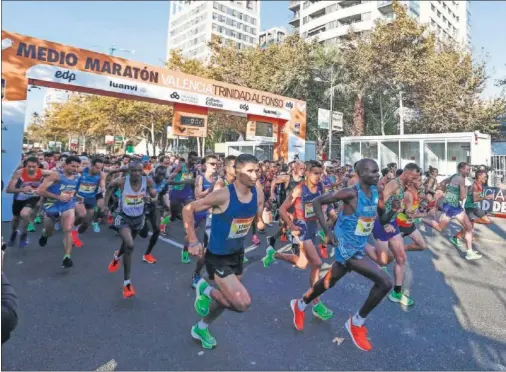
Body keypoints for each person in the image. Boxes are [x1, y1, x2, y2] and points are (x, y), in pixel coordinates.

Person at [290, 158, 391, 351]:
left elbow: (380, 218)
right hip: (345, 246)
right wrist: (328, 231)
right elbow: (317, 201)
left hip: (359, 245)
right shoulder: (350, 192)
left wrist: (393, 213)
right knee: (385, 282)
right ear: (361, 174)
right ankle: (356, 322)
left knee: (329, 280)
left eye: (378, 170)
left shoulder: (376, 193)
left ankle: (301, 304)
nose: (377, 174)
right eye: (373, 171)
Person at [182, 154, 265, 349]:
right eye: (250, 171)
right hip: (217, 257)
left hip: (237, 254)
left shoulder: (259, 194)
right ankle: (205, 288)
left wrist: (262, 220)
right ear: (236, 172)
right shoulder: (223, 195)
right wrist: (193, 240)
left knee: (227, 300)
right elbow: (188, 209)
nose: (255, 175)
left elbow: (258, 218)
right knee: (241, 303)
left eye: (257, 170)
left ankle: (201, 327)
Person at [262, 161, 334, 321]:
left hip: (312, 227)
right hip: (301, 227)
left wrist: (325, 215)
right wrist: (291, 225)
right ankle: (316, 303)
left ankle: (273, 255)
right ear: (307, 173)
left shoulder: (320, 186)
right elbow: (282, 209)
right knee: (316, 263)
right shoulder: (299, 189)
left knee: (302, 263)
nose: (318, 176)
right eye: (315, 173)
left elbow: (321, 204)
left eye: (320, 173)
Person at [104, 161, 156, 298]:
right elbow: (109, 187)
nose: (136, 173)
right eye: (133, 170)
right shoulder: (121, 181)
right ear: (128, 171)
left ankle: (116, 256)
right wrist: (105, 205)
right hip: (123, 217)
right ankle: (127, 283)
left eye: (139, 171)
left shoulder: (147, 181)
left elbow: (153, 194)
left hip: (139, 218)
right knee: (130, 245)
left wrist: (150, 196)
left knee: (127, 244)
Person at [371, 163, 421, 306]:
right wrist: (385, 224)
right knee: (381, 261)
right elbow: (380, 203)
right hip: (381, 224)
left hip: (392, 223)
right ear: (406, 173)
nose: (415, 180)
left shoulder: (404, 185)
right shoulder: (394, 184)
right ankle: (360, 249)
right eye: (414, 176)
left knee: (401, 258)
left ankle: (397, 292)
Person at [423, 162, 482, 260]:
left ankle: (469, 251)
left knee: (464, 226)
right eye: (467, 169)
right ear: (461, 169)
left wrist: (446, 192)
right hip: (453, 206)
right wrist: (468, 187)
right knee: (467, 226)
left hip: (450, 205)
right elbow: (462, 197)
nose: (469, 171)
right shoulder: (462, 179)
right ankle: (469, 252)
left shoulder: (454, 176)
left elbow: (442, 183)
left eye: (469, 169)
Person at [37, 156, 82, 268]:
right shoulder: (55, 175)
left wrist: (77, 197)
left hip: (68, 205)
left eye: (77, 166)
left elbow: (72, 190)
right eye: (72, 166)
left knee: (68, 229)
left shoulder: (77, 176)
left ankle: (67, 257)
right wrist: (57, 197)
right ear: (65, 165)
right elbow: (40, 190)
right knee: (49, 231)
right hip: (51, 205)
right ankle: (45, 234)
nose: (75, 169)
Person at [5, 156, 43, 248]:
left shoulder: (43, 174)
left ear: (38, 166)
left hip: (33, 198)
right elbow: (8, 190)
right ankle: (14, 232)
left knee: (24, 214)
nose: (31, 168)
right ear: (25, 165)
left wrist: (41, 199)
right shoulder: (19, 173)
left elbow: (46, 187)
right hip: (19, 198)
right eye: (29, 166)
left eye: (34, 166)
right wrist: (22, 190)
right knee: (16, 219)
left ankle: (24, 234)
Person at [72, 157, 106, 247]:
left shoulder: (101, 174)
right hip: (79, 196)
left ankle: (75, 233)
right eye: (97, 167)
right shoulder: (82, 170)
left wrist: (103, 188)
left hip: (91, 198)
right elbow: (71, 172)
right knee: (82, 214)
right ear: (91, 166)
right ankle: (72, 231)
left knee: (86, 223)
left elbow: (102, 182)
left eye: (101, 168)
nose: (99, 170)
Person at [453, 169, 493, 241]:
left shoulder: (480, 184)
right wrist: (486, 197)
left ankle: (471, 221)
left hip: (474, 206)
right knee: (469, 227)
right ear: (479, 176)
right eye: (485, 176)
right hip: (469, 207)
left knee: (488, 221)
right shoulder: (474, 185)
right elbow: (475, 199)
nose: (486, 178)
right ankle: (456, 237)